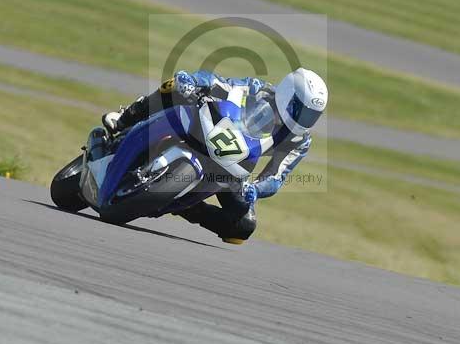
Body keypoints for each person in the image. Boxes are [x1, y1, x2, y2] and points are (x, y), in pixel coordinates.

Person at [102, 68, 328, 244]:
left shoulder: (299, 140)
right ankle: (126, 117)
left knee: (242, 226)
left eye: (311, 116)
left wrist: (255, 190)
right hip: (211, 128)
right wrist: (193, 81)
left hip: (236, 164)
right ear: (288, 94)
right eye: (301, 111)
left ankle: (184, 206)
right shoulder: (256, 89)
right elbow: (217, 81)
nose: (304, 119)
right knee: (175, 87)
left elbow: (277, 176)